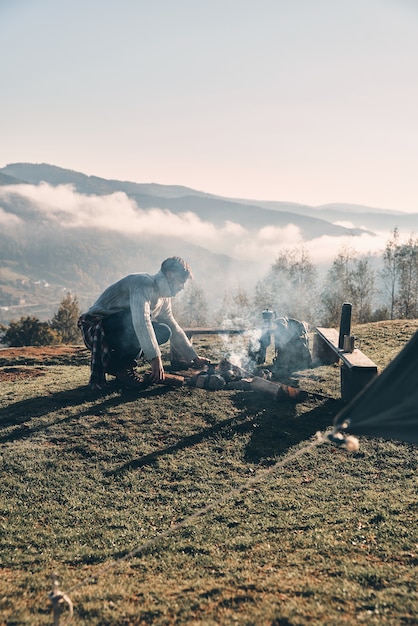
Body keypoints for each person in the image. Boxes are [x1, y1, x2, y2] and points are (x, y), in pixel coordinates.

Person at [78, 257, 210, 389]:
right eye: (182, 282)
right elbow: (141, 321)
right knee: (131, 318)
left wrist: (194, 358)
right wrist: (156, 359)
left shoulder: (163, 299)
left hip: (117, 331)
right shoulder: (143, 283)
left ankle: (117, 366)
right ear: (170, 275)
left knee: (165, 330)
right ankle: (123, 369)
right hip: (97, 328)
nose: (182, 288)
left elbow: (174, 328)